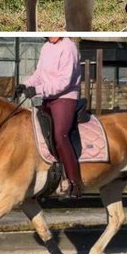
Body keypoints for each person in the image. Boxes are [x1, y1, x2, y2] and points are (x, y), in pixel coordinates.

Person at [14, 36, 84, 198]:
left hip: (65, 97)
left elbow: (63, 82)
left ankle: (74, 182)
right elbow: (39, 74)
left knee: (60, 135)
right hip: (48, 98)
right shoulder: (46, 47)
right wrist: (26, 84)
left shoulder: (68, 47)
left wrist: (37, 90)